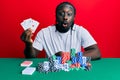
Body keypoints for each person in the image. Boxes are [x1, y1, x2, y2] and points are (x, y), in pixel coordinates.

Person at [21, 2, 101, 60]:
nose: (65, 17)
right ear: (55, 16)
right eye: (61, 14)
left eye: (69, 14)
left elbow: (96, 53)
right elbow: (31, 56)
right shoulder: (44, 33)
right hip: (52, 73)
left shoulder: (80, 31)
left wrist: (68, 56)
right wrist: (28, 44)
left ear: (74, 18)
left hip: (73, 71)